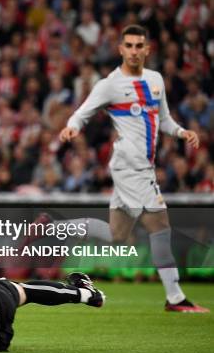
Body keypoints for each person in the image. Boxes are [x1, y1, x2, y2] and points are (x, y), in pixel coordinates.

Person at [58, 24, 208, 313]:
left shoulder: (155, 80)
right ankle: (175, 298)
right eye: (129, 45)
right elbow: (83, 111)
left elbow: (163, 119)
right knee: (159, 225)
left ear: (148, 49)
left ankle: (50, 226)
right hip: (131, 166)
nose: (134, 51)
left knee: (117, 233)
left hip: (141, 166)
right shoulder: (110, 84)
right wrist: (72, 128)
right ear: (121, 49)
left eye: (140, 46)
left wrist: (181, 132)